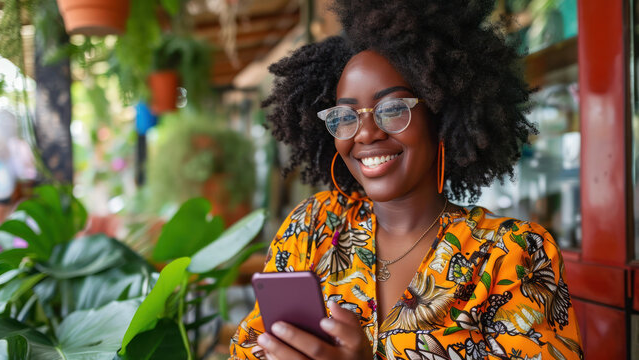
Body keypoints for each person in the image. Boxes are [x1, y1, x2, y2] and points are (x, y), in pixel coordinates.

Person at [230, 0, 583, 359]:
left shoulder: (510, 253)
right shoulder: (313, 229)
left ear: (441, 117)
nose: (365, 134)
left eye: (393, 109)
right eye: (345, 117)